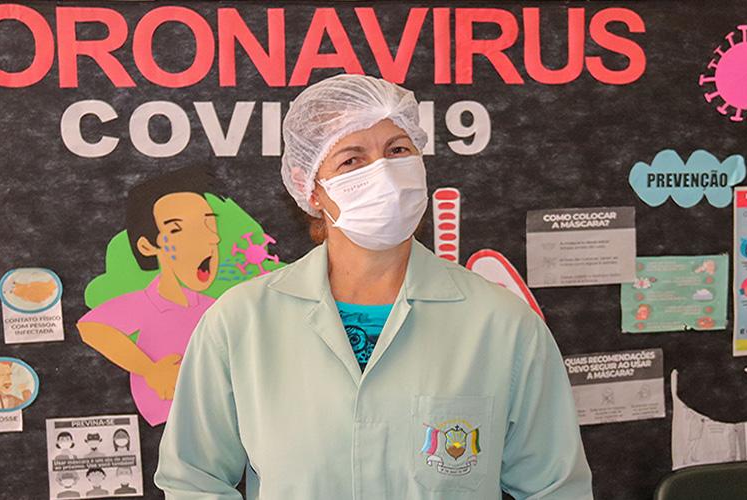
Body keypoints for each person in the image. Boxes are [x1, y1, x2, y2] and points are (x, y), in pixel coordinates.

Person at [154, 74, 592, 498]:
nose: (384, 173)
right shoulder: (241, 323)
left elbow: (555, 488)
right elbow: (194, 481)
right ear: (310, 189)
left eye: (398, 149)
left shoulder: (502, 324)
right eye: (352, 159)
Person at [77, 168, 219, 427]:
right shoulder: (147, 303)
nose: (212, 237)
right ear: (147, 246)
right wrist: (150, 370)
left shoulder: (214, 306)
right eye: (178, 230)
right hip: (165, 421)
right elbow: (91, 328)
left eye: (209, 223)